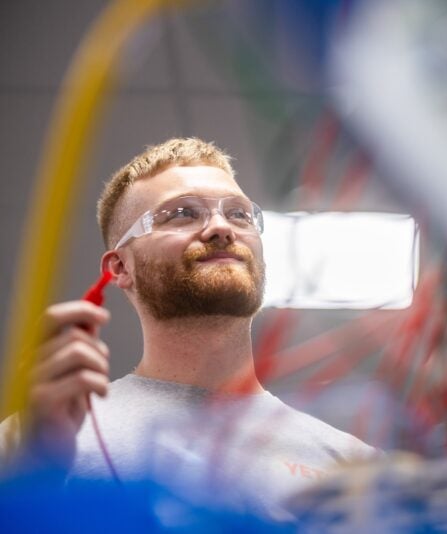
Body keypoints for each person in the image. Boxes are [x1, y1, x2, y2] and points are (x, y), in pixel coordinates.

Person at [0, 137, 376, 519]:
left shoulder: (351, 465)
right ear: (120, 268)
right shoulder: (39, 437)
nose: (221, 227)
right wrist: (31, 468)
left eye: (240, 214)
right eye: (181, 213)